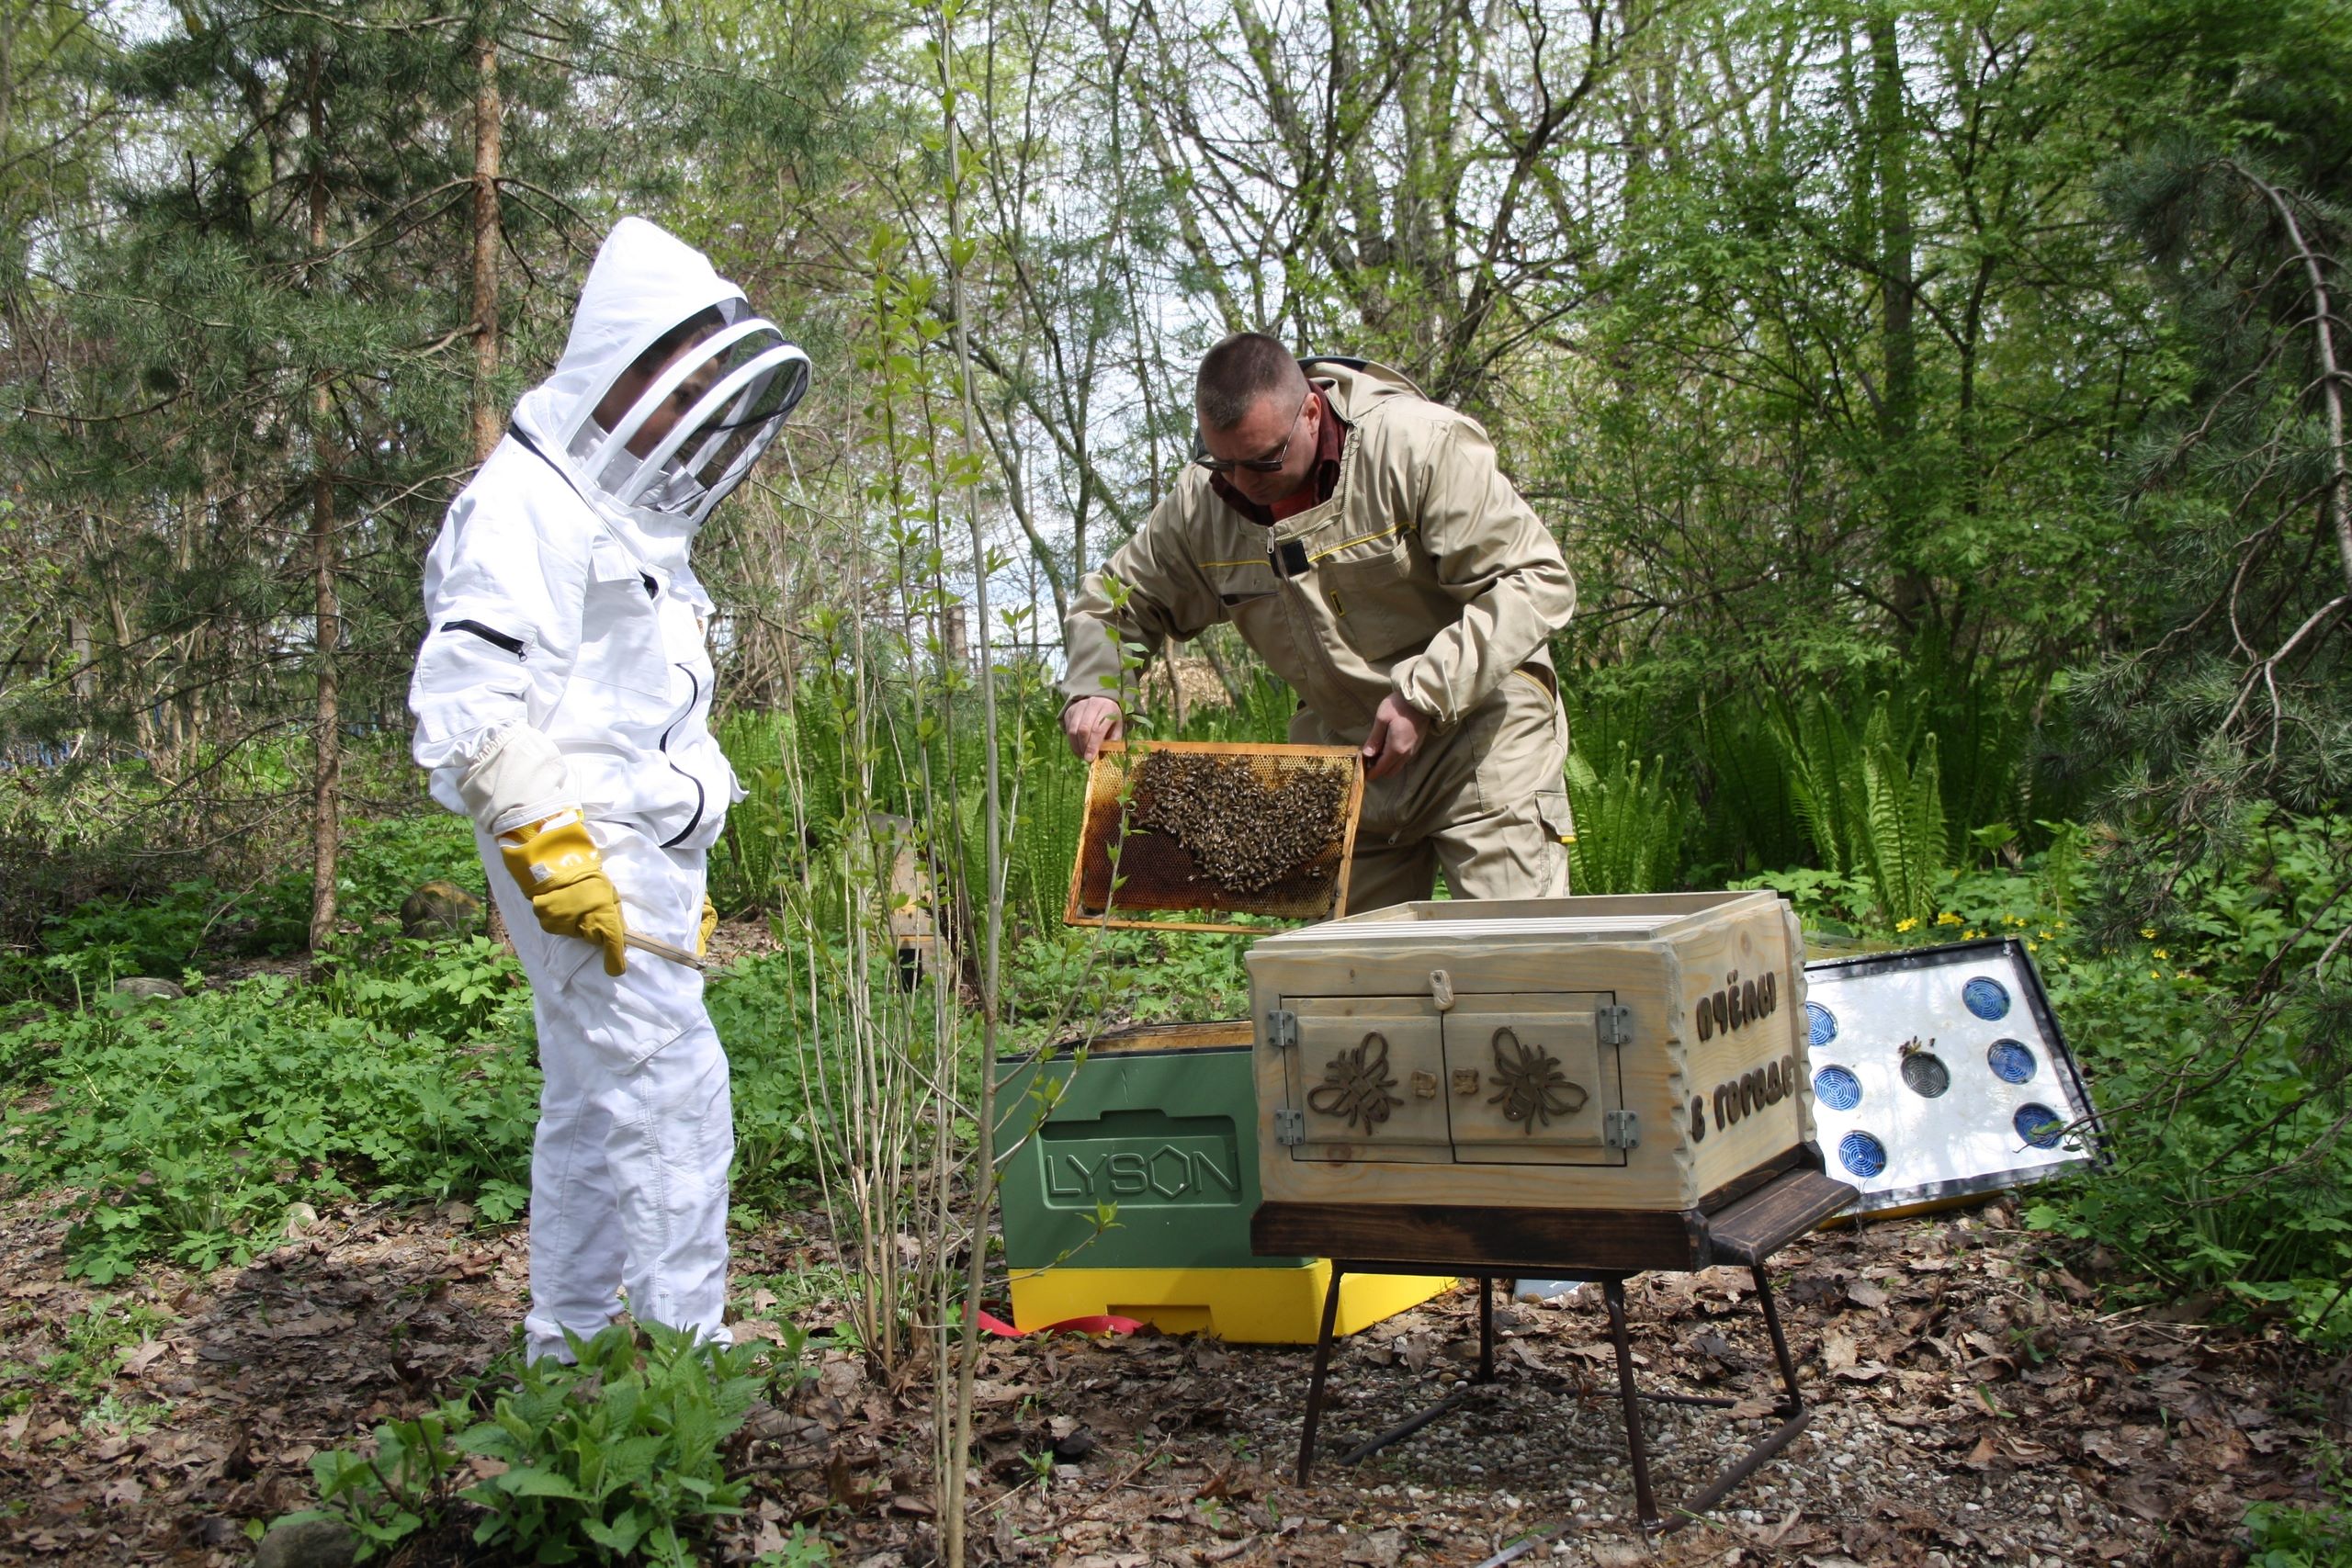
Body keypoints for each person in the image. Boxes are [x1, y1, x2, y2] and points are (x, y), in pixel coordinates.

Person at [408, 217, 808, 1363]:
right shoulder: (522, 504)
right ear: (623, 365)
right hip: (578, 846)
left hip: (636, 852)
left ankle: (568, 1349)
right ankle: (688, 1364)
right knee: (677, 1092)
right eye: (668, 386)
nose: (679, 416)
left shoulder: (614, 511)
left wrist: (679, 858)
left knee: (590, 1103)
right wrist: (555, 855)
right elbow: (469, 700)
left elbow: (640, 711)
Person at [1061, 334, 1576, 909]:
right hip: (1354, 765)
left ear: (1310, 411)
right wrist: (1098, 687)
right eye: (1224, 462)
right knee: (1349, 963)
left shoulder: (1418, 446)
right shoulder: (1199, 505)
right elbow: (1113, 602)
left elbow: (1536, 580)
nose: (1242, 482)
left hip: (1481, 739)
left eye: (1264, 461)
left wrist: (1424, 695)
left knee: (1514, 949)